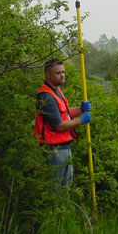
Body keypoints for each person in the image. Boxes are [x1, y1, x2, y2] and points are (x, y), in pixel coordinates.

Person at [34, 59, 92, 190]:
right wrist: (81, 120)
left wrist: (80, 109)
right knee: (56, 189)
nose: (62, 75)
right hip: (54, 150)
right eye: (58, 73)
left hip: (64, 147)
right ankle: (55, 210)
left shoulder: (56, 90)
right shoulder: (46, 97)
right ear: (48, 75)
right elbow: (58, 125)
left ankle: (64, 209)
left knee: (66, 186)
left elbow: (64, 113)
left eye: (63, 72)